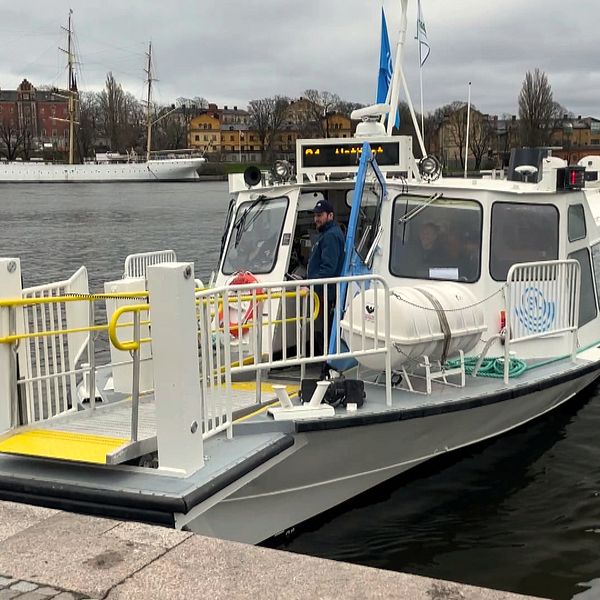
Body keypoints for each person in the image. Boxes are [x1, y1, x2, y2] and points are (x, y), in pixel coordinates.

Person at [306, 199, 345, 365]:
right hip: (324, 291)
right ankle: (327, 361)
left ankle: (327, 364)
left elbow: (329, 269)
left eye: (320, 215)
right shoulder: (329, 234)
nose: (316, 219)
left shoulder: (330, 236)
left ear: (330, 216)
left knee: (327, 328)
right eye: (315, 215)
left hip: (326, 292)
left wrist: (310, 283)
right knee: (326, 328)